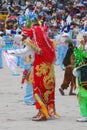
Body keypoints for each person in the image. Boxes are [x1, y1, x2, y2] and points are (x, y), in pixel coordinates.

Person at [8, 21, 60, 121]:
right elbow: (55, 57)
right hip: (49, 71)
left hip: (38, 70)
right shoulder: (48, 43)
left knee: (38, 90)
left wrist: (10, 52)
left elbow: (23, 51)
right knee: (48, 91)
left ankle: (42, 112)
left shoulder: (33, 43)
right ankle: (49, 110)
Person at [73, 31, 87, 122]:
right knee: (82, 94)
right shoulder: (81, 46)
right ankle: (84, 114)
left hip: (85, 72)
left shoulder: (83, 47)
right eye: (84, 37)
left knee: (83, 94)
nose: (84, 38)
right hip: (83, 72)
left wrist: (81, 53)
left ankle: (85, 115)